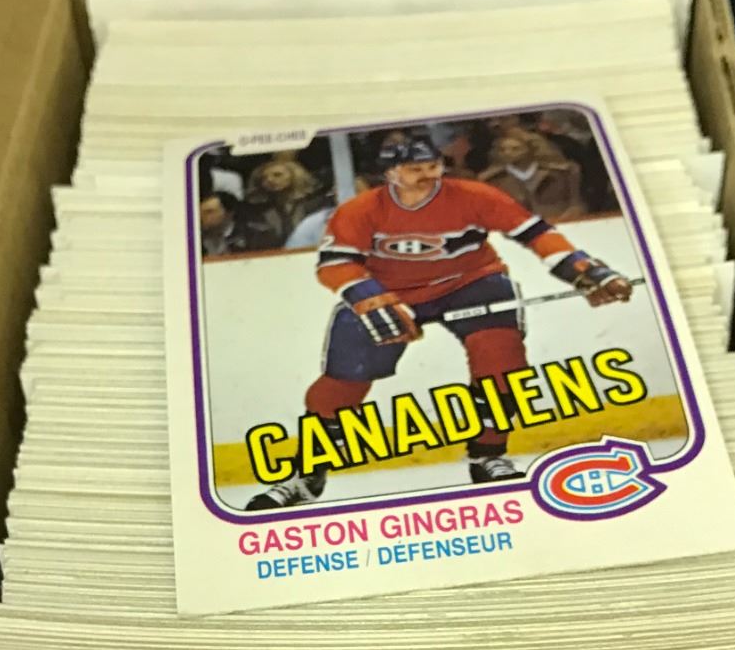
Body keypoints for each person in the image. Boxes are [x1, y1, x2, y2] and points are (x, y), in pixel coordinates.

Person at [246, 129, 633, 508]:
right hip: (386, 291)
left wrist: (588, 272)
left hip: (471, 283)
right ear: (391, 174)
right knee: (340, 385)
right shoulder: (361, 210)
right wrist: (370, 299)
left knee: (502, 363)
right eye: (416, 170)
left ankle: (488, 456)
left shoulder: (474, 196)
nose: (429, 176)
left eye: (433, 166)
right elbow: (335, 264)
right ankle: (306, 473)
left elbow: (537, 234)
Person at [478, 127, 583, 220]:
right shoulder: (491, 181)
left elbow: (576, 205)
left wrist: (567, 217)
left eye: (516, 149)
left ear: (532, 150)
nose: (507, 153)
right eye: (502, 150)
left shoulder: (562, 174)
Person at [239, 154, 333, 249]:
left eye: (277, 175)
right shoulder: (256, 211)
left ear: (295, 176)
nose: (269, 180)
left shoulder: (317, 204)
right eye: (263, 178)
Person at [198, 191, 248, 256]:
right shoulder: (197, 240)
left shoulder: (250, 236)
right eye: (201, 213)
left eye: (209, 212)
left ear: (229, 213)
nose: (202, 217)